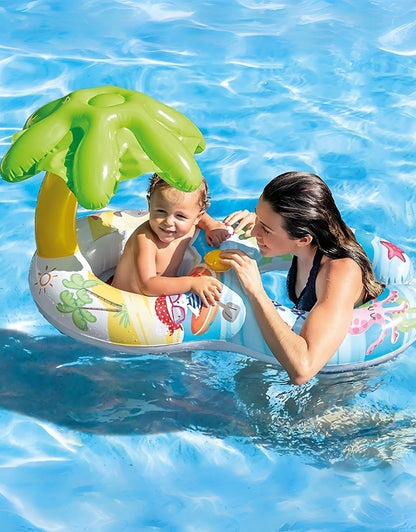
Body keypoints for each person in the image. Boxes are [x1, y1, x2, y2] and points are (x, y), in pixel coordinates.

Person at [220, 171, 384, 385]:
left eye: (265, 228)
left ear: (304, 239)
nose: (253, 232)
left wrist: (256, 291)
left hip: (344, 375)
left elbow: (303, 369)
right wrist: (264, 224)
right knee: (245, 380)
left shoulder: (340, 272)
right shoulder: (308, 242)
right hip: (316, 349)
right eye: (257, 217)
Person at [111, 173, 230, 306]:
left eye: (180, 216)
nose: (168, 222)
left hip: (159, 298)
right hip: (126, 302)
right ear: (150, 205)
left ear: (196, 218)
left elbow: (200, 216)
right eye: (161, 211)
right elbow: (147, 285)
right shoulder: (145, 239)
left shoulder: (190, 223)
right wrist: (191, 283)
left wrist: (211, 225)